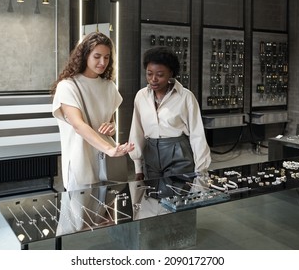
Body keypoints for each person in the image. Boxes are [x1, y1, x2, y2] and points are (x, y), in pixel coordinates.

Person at [51, 32, 134, 191]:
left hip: (106, 164)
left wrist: (112, 128)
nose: (102, 62)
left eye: (107, 57)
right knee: (81, 214)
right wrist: (110, 149)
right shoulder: (68, 86)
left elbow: (109, 122)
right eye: (97, 56)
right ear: (84, 55)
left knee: (109, 212)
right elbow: (78, 125)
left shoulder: (109, 86)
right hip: (81, 161)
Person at [129, 46, 211, 181]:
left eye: (160, 75)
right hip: (151, 154)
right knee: (154, 196)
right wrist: (138, 167)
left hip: (178, 153)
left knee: (176, 196)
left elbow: (197, 135)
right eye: (149, 73)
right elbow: (136, 131)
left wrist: (201, 170)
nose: (153, 79)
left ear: (171, 73)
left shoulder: (185, 97)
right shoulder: (141, 96)